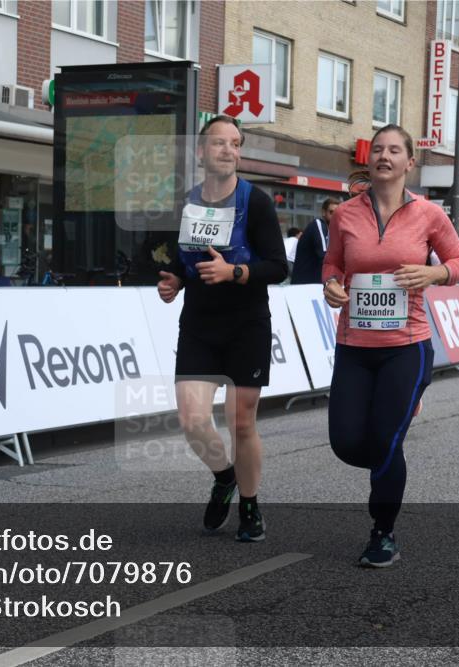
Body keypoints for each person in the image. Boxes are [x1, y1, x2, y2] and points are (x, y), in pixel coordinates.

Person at [322, 124, 459, 567]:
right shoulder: (345, 214)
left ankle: (383, 532)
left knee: (386, 441)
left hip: (406, 346)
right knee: (347, 442)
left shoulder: (428, 214)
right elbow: (333, 261)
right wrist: (331, 283)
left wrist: (434, 274)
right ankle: (391, 451)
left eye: (395, 151)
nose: (384, 157)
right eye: (378, 150)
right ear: (369, 161)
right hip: (354, 344)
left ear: (410, 162)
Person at [157, 115, 287, 542]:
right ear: (201, 152)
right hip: (198, 323)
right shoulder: (187, 201)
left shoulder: (257, 202)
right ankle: (225, 475)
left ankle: (250, 505)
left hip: (246, 324)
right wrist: (175, 279)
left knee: (241, 423)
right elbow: (183, 258)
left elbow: (277, 267)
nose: (228, 150)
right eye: (219, 143)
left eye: (235, 144)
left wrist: (235, 272)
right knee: (192, 419)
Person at [291, 197, 338, 284]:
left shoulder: (329, 232)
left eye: (337, 214)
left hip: (311, 285)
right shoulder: (318, 224)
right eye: (331, 212)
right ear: (323, 212)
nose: (335, 217)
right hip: (304, 286)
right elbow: (324, 257)